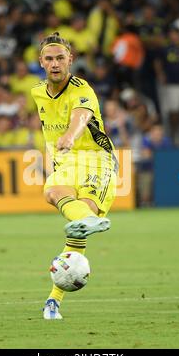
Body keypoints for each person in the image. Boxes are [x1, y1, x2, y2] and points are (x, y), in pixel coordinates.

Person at [31, 32, 118, 320]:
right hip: (66, 163)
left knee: (78, 232)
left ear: (71, 59)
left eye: (60, 58)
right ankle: (86, 220)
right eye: (49, 58)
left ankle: (53, 301)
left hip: (97, 160)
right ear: (41, 62)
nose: (55, 64)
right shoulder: (37, 92)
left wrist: (70, 135)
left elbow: (81, 115)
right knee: (53, 194)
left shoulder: (83, 89)